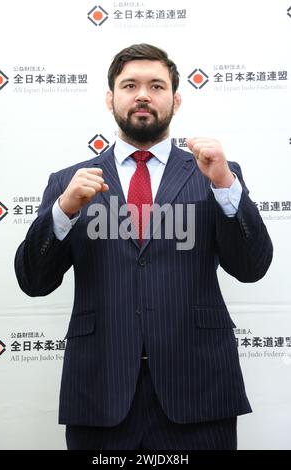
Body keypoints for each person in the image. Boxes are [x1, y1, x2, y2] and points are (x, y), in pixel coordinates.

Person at [14, 43, 273, 450]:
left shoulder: (214, 173)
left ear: (176, 99)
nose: (142, 95)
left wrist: (225, 185)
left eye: (156, 86)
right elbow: (33, 280)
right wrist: (64, 211)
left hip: (200, 390)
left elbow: (253, 266)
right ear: (110, 98)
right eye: (129, 85)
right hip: (100, 391)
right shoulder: (70, 182)